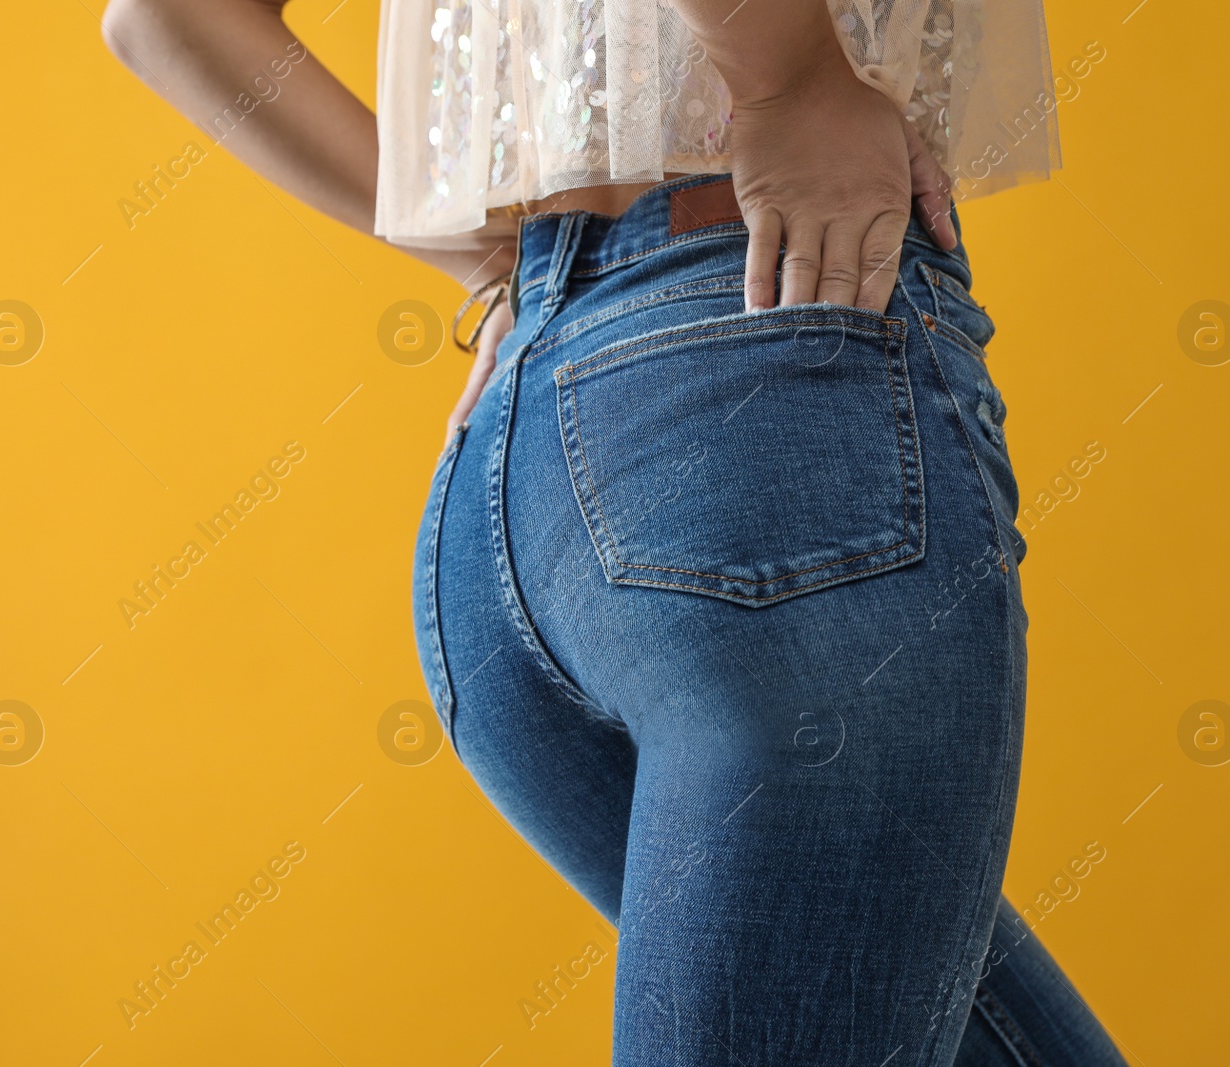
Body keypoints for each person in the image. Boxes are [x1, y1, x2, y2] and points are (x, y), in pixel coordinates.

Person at [102, 0, 1130, 1062]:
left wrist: (506, 263)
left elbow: (162, 17)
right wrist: (790, 83)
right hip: (767, 405)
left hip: (522, 470)